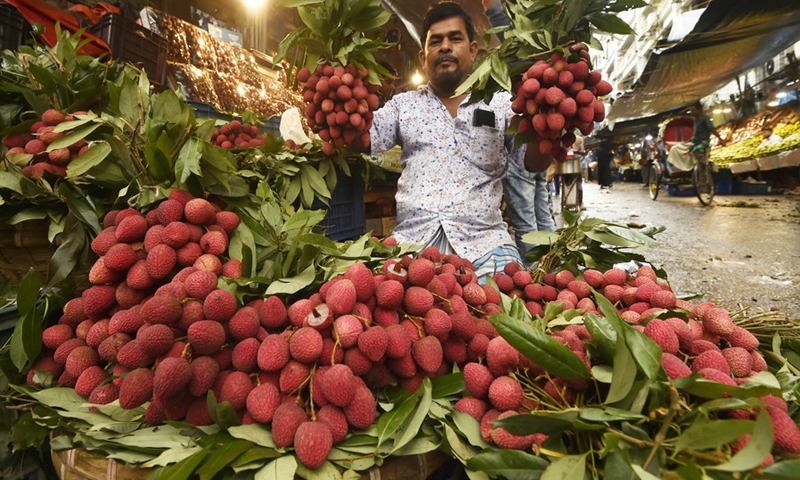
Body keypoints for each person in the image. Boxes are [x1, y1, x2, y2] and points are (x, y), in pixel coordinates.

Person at [368, 2, 553, 279]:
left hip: (487, 246)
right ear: (423, 56)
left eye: (455, 38)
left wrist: (552, 119)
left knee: (503, 312)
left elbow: (534, 162)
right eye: (436, 41)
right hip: (412, 246)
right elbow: (363, 138)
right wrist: (340, 96)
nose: (445, 47)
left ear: (473, 50)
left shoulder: (500, 104)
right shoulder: (402, 106)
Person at [666, 101, 726, 171]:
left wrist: (720, 139)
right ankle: (690, 167)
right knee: (674, 149)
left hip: (702, 142)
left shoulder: (705, 118)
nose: (691, 112)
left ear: (699, 110)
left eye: (693, 110)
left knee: (700, 159)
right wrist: (686, 141)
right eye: (691, 110)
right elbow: (695, 135)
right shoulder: (696, 120)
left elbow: (712, 128)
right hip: (694, 143)